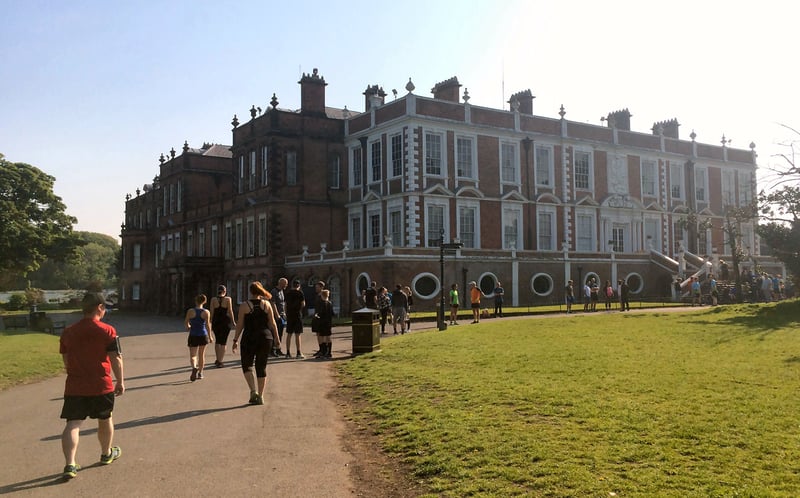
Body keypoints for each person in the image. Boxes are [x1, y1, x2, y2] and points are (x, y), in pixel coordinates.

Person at [59, 292, 124, 479]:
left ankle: (70, 464)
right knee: (105, 419)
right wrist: (120, 381)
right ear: (100, 308)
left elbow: (66, 358)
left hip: (75, 385)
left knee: (73, 423)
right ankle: (106, 453)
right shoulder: (108, 330)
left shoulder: (69, 331)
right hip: (101, 385)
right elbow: (115, 359)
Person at [232, 282, 280, 405]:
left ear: (250, 292)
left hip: (249, 337)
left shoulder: (244, 305)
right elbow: (272, 323)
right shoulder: (267, 304)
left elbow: (240, 324)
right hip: (266, 337)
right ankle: (261, 395)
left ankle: (253, 391)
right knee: (261, 366)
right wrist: (277, 339)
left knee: (247, 364)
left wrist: (235, 340)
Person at [184, 294, 214, 381]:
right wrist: (210, 336)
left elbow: (186, 322)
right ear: (204, 302)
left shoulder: (190, 311)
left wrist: (188, 327)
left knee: (193, 355)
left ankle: (194, 367)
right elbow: (208, 325)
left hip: (193, 334)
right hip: (203, 334)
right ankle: (200, 373)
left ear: (196, 301)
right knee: (201, 355)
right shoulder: (206, 312)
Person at [210, 285, 236, 368]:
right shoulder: (228, 299)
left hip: (216, 322)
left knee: (218, 341)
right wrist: (233, 322)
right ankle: (220, 361)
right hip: (225, 322)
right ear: (225, 291)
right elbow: (230, 311)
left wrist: (210, 322)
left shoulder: (213, 299)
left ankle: (217, 359)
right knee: (223, 342)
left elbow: (211, 312)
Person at [284, 279, 305, 359]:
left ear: (292, 285)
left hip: (290, 315)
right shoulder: (300, 293)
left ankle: (288, 352)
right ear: (298, 286)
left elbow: (285, 305)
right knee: (297, 334)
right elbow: (303, 304)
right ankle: (298, 352)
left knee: (289, 334)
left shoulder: (288, 293)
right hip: (297, 315)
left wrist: (286, 313)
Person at [314, 289, 334, 359]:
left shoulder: (322, 304)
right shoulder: (330, 303)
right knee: (328, 337)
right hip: (328, 323)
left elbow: (320, 313)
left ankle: (323, 351)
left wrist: (316, 316)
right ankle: (329, 352)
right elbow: (332, 313)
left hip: (322, 323)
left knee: (322, 337)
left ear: (322, 295)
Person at [270, 278, 288, 357]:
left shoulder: (282, 291)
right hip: (276, 315)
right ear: (280, 283)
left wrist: (284, 313)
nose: (286, 285)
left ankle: (278, 349)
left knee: (280, 333)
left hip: (282, 315)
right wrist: (276, 314)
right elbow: (273, 303)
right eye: (285, 284)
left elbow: (282, 303)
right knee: (275, 333)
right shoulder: (274, 291)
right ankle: (272, 350)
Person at [312, 281, 326, 357]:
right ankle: (320, 349)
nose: (316, 289)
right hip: (317, 316)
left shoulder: (323, 296)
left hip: (321, 317)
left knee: (321, 334)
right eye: (316, 287)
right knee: (318, 333)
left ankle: (323, 349)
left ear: (321, 287)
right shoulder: (317, 296)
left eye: (317, 287)